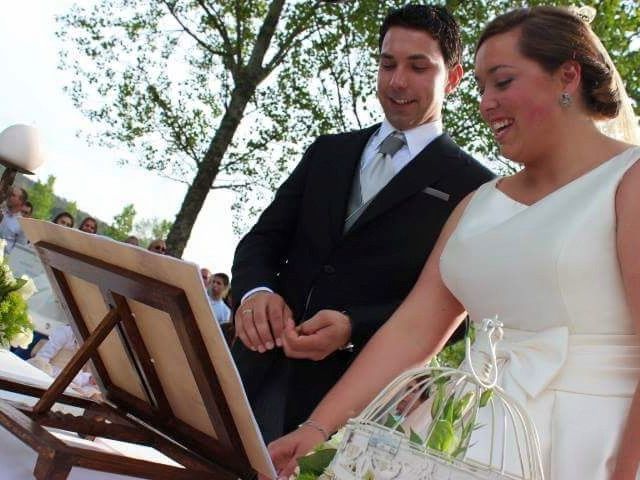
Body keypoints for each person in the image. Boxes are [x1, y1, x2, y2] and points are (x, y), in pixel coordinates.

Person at [267, 6, 640, 480]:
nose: (485, 102)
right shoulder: (477, 203)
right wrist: (318, 428)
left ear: (567, 75)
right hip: (462, 434)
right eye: (482, 87)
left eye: (502, 82)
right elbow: (412, 330)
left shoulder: (629, 181)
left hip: (590, 446)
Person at [231, 4, 495, 443]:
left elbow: (456, 312)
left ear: (452, 77)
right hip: (253, 369)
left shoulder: (475, 187)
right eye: (387, 64)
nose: (397, 81)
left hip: (354, 403)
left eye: (417, 66)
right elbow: (262, 241)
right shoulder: (327, 152)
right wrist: (256, 293)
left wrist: (354, 326)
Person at [0, 186, 28, 252]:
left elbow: (20, 250)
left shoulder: (23, 224)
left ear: (20, 201)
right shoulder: (1, 210)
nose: (9, 196)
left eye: (12, 195)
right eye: (9, 194)